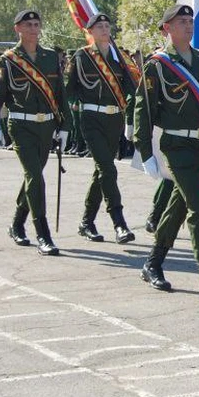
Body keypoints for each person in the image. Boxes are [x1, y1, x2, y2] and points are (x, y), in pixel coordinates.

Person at [134, 4, 199, 308]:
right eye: (181, 22)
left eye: (190, 21)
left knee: (178, 206)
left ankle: (153, 263)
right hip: (176, 148)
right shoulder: (158, 65)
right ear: (167, 28)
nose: (188, 26)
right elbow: (144, 109)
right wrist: (145, 151)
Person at [0, 10, 71, 255]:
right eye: (28, 25)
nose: (34, 29)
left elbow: (60, 96)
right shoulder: (9, 60)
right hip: (21, 125)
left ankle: (16, 224)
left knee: (32, 177)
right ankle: (43, 234)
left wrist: (65, 126)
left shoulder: (50, 57)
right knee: (35, 176)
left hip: (46, 127)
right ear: (18, 29)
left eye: (36, 24)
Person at [64, 13, 137, 244]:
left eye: (107, 26)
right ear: (90, 32)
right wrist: (62, 122)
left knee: (101, 171)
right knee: (108, 169)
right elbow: (67, 91)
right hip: (91, 118)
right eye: (100, 26)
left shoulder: (119, 59)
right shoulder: (81, 57)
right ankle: (119, 222)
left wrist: (131, 120)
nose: (105, 29)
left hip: (114, 120)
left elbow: (131, 89)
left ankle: (86, 222)